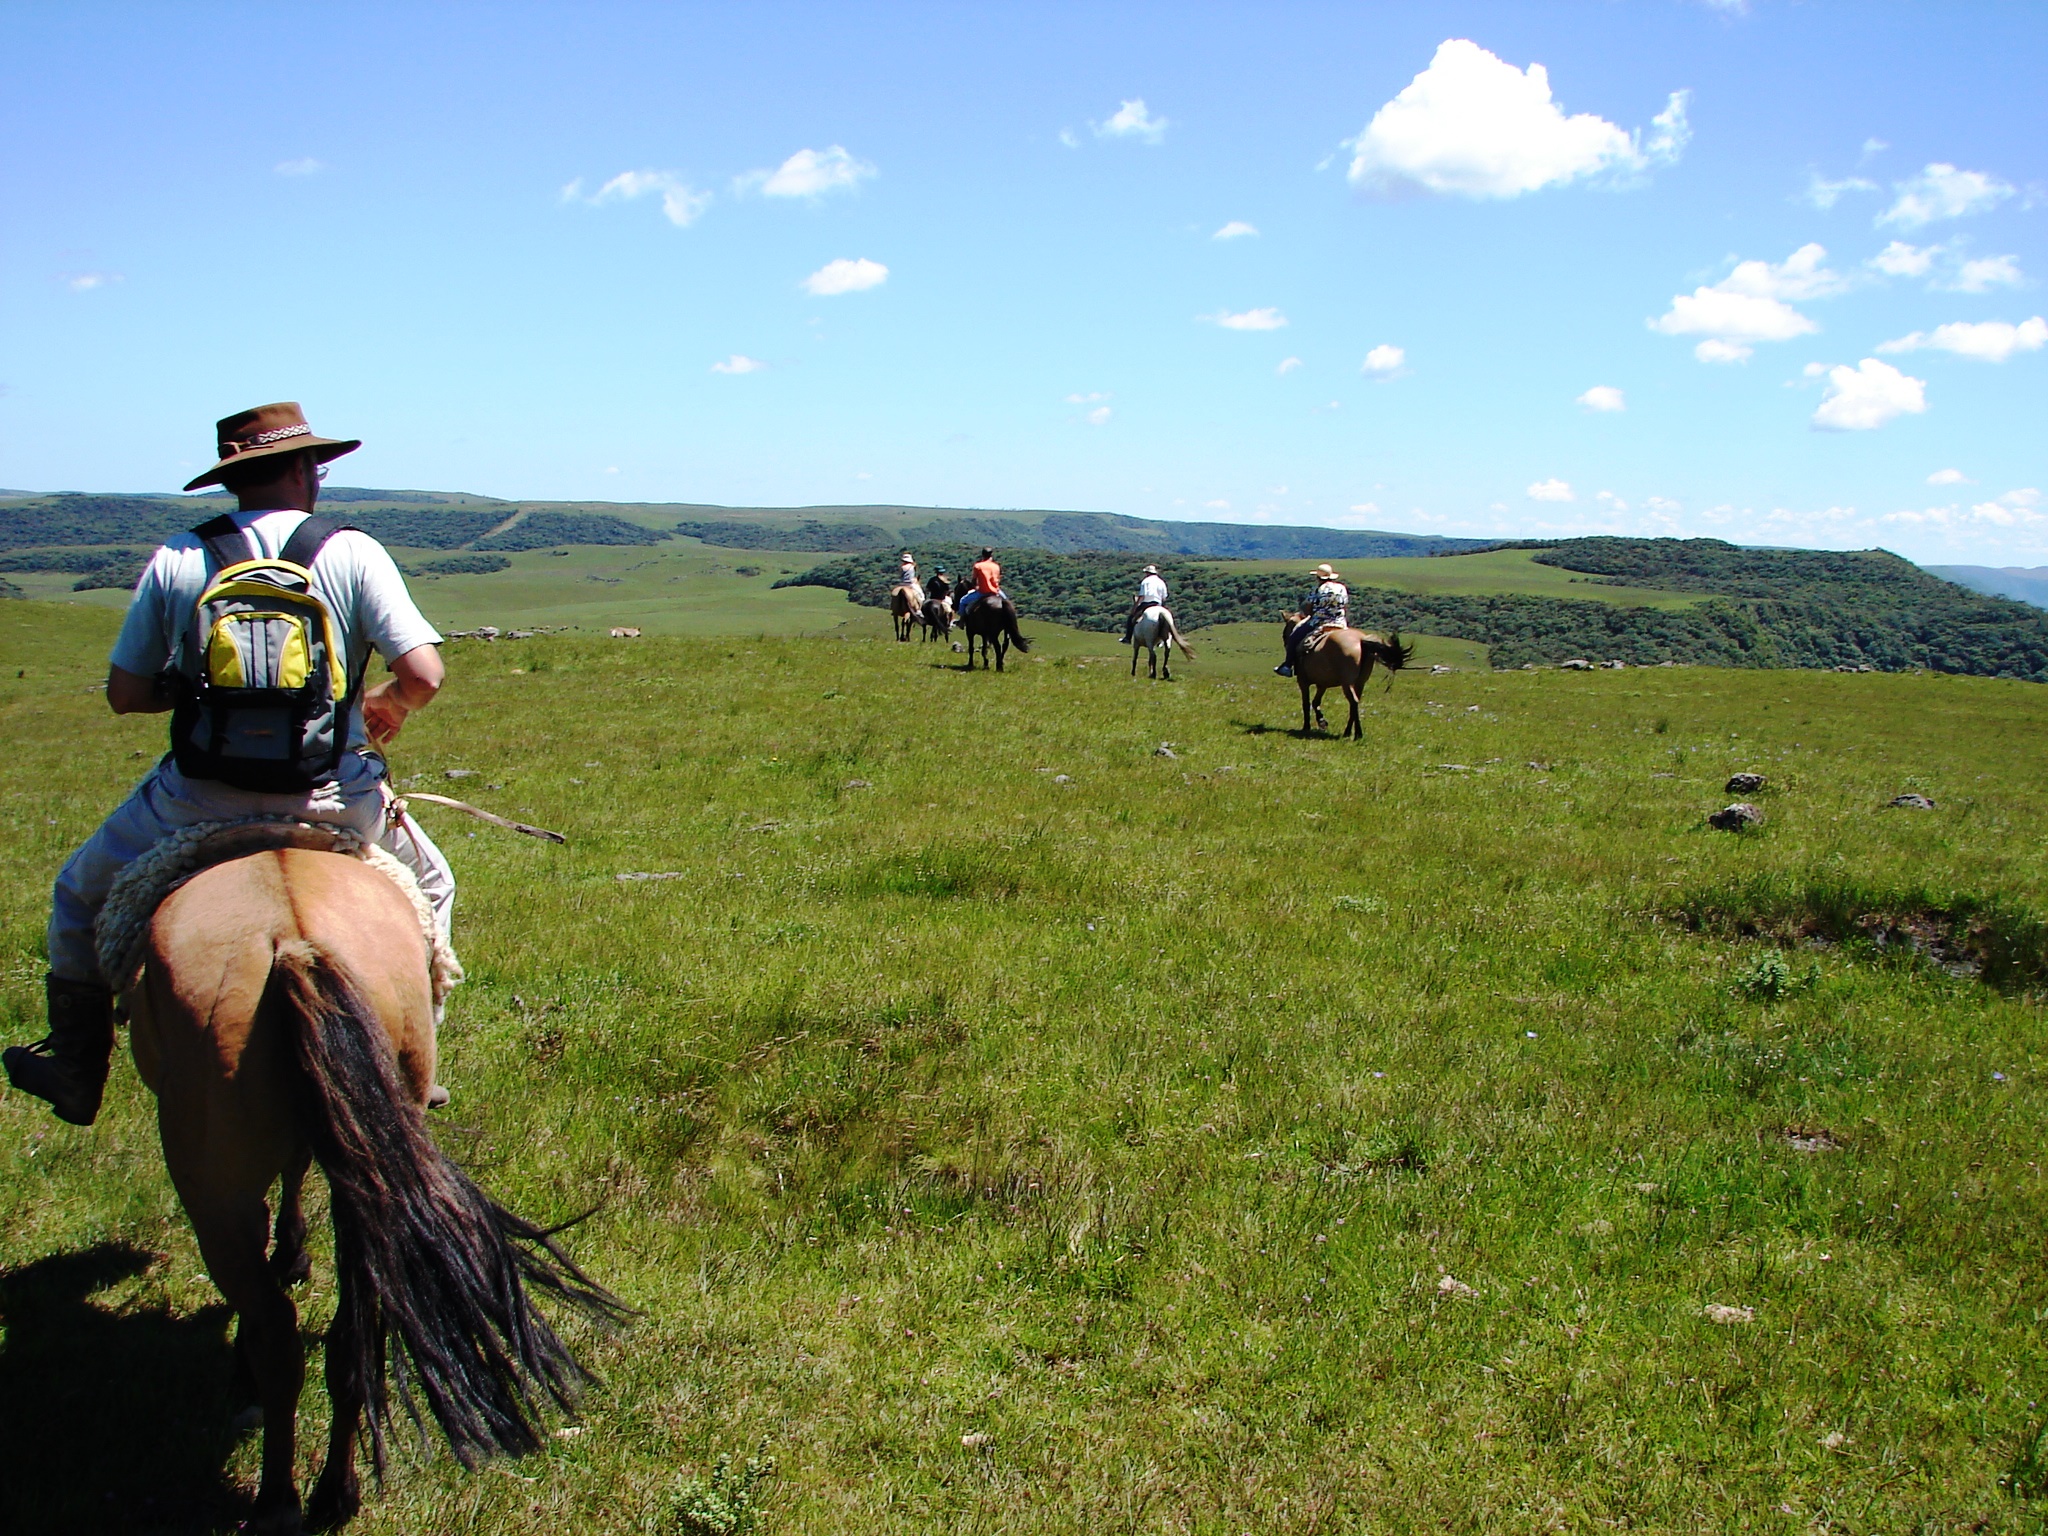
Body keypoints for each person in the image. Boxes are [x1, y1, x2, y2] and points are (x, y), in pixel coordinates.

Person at [4, 402, 459, 1127]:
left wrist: (199, 692)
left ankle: (77, 1066)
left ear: (233, 476)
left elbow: (125, 694)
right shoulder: (352, 551)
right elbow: (425, 675)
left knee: (78, 895)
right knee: (433, 886)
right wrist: (388, 703)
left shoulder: (182, 556)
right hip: (330, 797)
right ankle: (417, 1060)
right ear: (306, 470)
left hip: (197, 799)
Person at [1275, 562, 1350, 677]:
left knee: (1294, 637)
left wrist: (1310, 614)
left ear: (1318, 577)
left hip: (1319, 621)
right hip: (1340, 621)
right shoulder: (1341, 588)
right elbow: (1345, 605)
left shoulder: (1317, 589)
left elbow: (1309, 607)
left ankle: (1287, 666)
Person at [1122, 563, 1170, 644]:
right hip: (1158, 604)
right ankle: (1163, 638)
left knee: (1131, 618)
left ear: (1147, 573)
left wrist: (1135, 607)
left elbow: (1142, 596)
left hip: (1147, 604)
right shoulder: (1162, 582)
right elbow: (1164, 597)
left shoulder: (1145, 581)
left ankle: (1128, 638)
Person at [957, 547, 1004, 620]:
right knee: (1008, 603)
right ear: (991, 555)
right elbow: (998, 579)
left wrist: (975, 587)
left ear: (982, 555)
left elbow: (974, 580)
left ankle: (961, 621)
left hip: (982, 591)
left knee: (963, 601)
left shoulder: (978, 566)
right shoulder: (996, 566)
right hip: (995, 591)